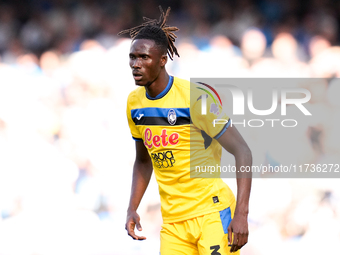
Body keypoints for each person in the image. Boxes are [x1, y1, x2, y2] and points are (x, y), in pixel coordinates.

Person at [119, 6, 252, 255]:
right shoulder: (134, 103)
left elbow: (243, 151)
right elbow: (143, 160)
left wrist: (242, 214)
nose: (135, 64)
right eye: (132, 57)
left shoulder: (195, 98)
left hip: (211, 213)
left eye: (143, 57)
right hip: (173, 224)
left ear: (162, 60)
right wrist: (132, 207)